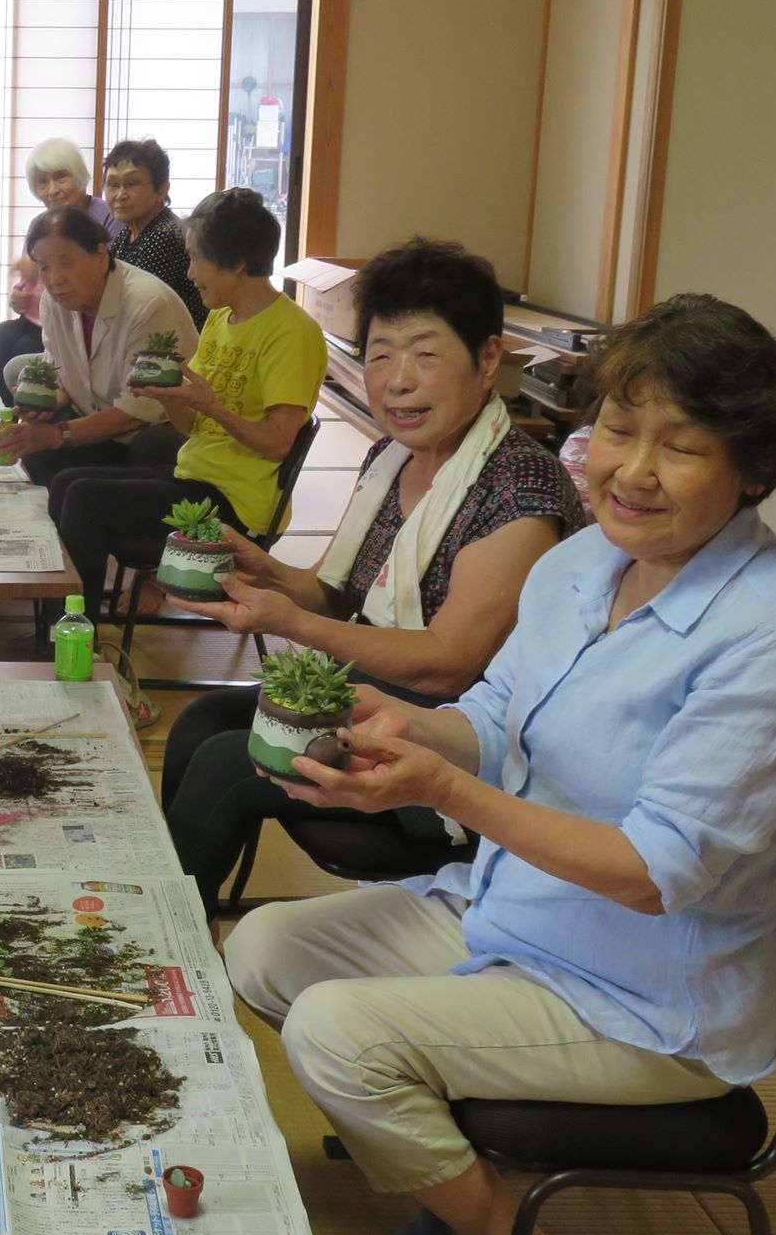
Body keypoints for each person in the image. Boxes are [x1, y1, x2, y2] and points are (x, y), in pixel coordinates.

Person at [225, 294, 776, 1235]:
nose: (629, 470)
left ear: (749, 471)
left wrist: (443, 793)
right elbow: (495, 719)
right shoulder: (585, 562)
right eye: (619, 428)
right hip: (508, 914)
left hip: (641, 995)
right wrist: (397, 725)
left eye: (678, 447)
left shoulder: (772, 636)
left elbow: (650, 874)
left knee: (337, 1033)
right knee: (262, 946)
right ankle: (447, 1173)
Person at [162, 241, 589, 913]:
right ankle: (179, 914)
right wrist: (263, 570)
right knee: (202, 722)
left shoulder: (521, 488)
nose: (397, 380)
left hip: (453, 742)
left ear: (487, 359)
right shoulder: (392, 456)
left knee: (225, 763)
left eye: (425, 353)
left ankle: (168, 937)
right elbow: (336, 594)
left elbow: (447, 667)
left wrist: (289, 621)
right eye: (381, 354)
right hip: (369, 699)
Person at [50, 187, 325, 611]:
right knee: (68, 481)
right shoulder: (219, 318)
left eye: (197, 259)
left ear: (236, 264)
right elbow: (191, 427)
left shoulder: (292, 333)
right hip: (193, 477)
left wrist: (211, 404)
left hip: (234, 505)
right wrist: (166, 394)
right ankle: (66, 614)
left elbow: (277, 442)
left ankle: (72, 629)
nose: (190, 273)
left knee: (85, 498)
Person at [0, 208, 191, 487]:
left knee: (150, 446)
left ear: (100, 256)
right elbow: (62, 379)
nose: (54, 279)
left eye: (65, 263)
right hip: (93, 421)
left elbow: (139, 411)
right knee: (35, 453)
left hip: (148, 432)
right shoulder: (54, 302)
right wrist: (41, 404)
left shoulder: (147, 304)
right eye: (44, 266)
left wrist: (55, 434)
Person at [0, 138, 123, 405]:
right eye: (42, 182)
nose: (53, 190)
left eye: (61, 178)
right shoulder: (40, 223)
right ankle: (3, 417)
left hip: (84, 319)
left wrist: (38, 272)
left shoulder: (106, 216)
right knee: (1, 336)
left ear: (79, 175)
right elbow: (30, 284)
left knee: (24, 347)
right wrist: (19, 299)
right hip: (46, 316)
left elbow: (110, 270)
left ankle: (30, 418)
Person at [103, 138, 206, 333]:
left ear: (161, 190)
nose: (120, 195)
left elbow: (136, 307)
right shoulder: (128, 232)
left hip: (171, 348)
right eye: (113, 184)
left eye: (131, 184)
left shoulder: (165, 236)